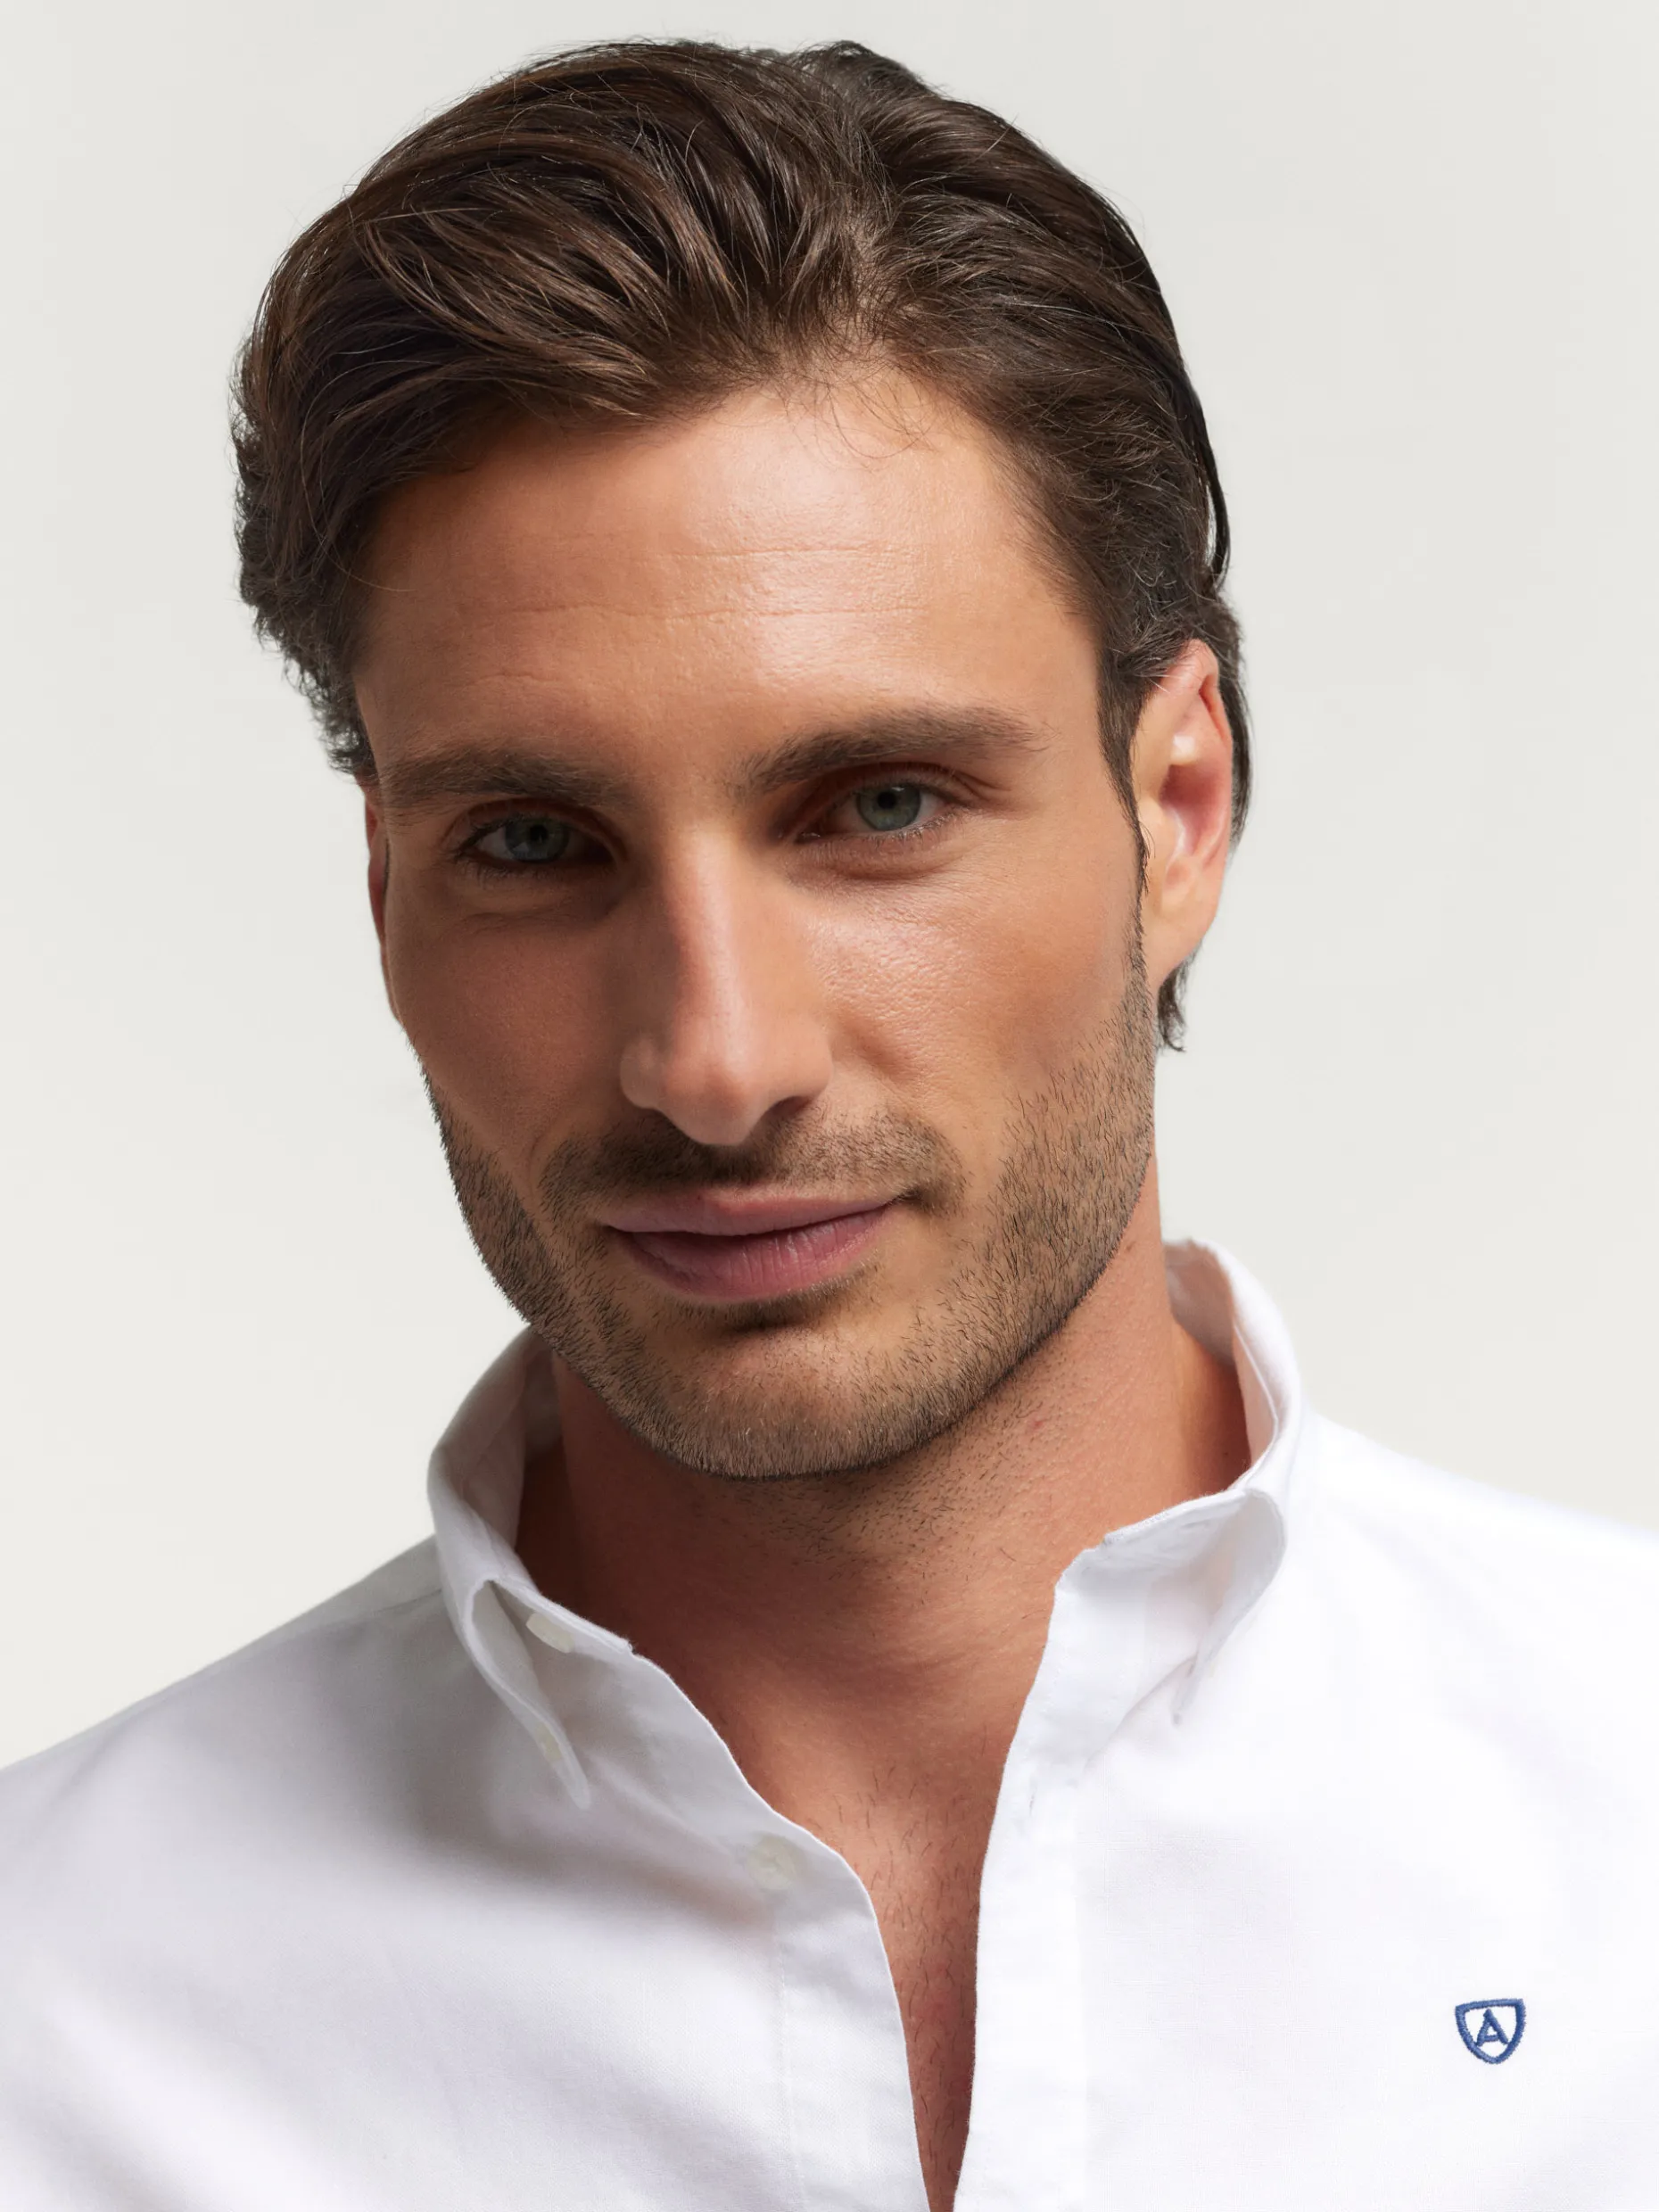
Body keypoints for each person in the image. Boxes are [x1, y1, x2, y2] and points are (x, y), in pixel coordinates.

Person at [2, 36, 1655, 2212]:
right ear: (389, 899)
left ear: (1178, 807)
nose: (714, 1060)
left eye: (878, 807)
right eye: (534, 842)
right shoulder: (50, 2019)